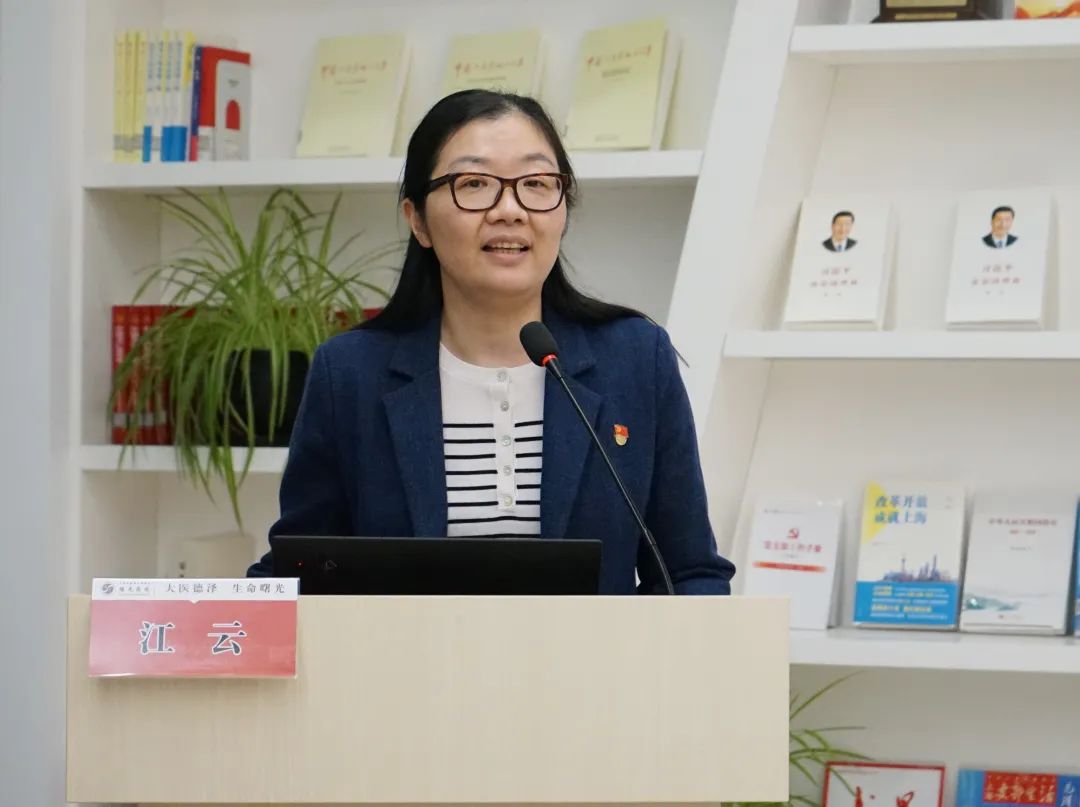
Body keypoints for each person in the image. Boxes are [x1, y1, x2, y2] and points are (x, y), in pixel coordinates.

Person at [247, 89, 735, 595]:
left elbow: (689, 572)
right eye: (474, 184)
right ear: (417, 220)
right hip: (412, 650)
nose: (510, 209)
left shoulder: (635, 358)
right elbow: (300, 571)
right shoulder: (350, 373)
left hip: (593, 652)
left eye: (536, 183)